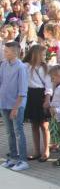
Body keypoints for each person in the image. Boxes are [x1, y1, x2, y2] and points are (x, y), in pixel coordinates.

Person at [0, 41, 29, 171]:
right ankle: (13, 157)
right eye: (4, 50)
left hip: (16, 105)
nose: (4, 53)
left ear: (14, 52)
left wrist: (16, 108)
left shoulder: (21, 67)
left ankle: (23, 160)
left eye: (6, 51)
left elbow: (22, 91)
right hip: (4, 103)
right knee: (9, 132)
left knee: (18, 132)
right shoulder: (3, 65)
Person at [23, 44, 52, 162]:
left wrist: (47, 99)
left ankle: (46, 150)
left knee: (44, 125)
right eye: (43, 54)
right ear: (36, 55)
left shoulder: (45, 68)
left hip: (41, 94)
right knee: (34, 124)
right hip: (31, 95)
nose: (44, 57)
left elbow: (49, 85)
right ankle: (36, 151)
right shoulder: (26, 66)